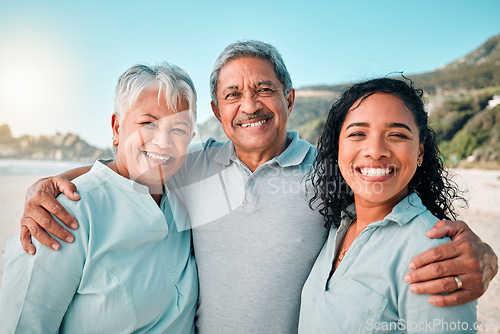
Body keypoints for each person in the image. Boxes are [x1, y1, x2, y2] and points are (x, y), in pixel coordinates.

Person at [18, 41, 498, 333]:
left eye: (264, 89)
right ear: (218, 110)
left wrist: (484, 256)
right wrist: (53, 185)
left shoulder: (330, 173)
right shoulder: (194, 164)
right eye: (233, 94)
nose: (250, 105)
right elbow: (136, 163)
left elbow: (392, 206)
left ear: (288, 98)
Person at [0, 63, 198, 333]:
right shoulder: (62, 213)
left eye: (179, 129)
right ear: (117, 128)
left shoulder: (188, 198)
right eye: (148, 123)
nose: (163, 141)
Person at [299, 78, 477, 332]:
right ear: (338, 147)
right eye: (358, 134)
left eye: (397, 135)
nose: (375, 150)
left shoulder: (432, 254)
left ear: (419, 153)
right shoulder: (335, 225)